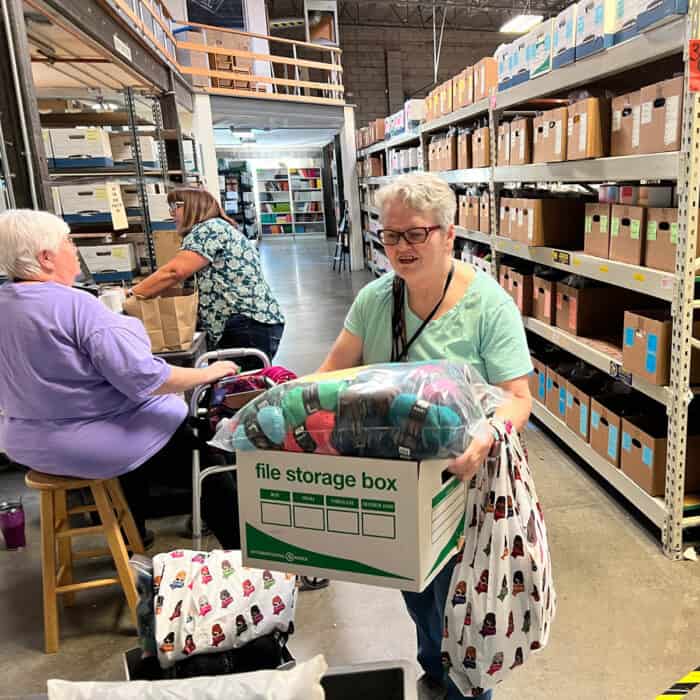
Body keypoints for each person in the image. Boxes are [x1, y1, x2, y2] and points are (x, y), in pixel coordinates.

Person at [317, 173, 533, 700]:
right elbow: (330, 375)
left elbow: (519, 398)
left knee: (459, 599)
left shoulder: (488, 305)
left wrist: (486, 434)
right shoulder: (374, 299)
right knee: (414, 587)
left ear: (448, 234)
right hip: (397, 481)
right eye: (391, 236)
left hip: (468, 479)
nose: (401, 248)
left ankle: (464, 685)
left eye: (416, 234)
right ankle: (435, 670)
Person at [0, 209, 240, 549]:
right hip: (87, 444)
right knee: (199, 450)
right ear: (46, 257)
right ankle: (251, 556)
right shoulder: (78, 307)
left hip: (28, 444)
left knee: (135, 430)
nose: (74, 249)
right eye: (68, 242)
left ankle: (133, 535)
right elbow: (145, 378)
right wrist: (209, 372)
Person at [131, 187, 285, 368]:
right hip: (252, 321)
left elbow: (174, 272)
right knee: (233, 386)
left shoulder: (207, 230)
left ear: (192, 206)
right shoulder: (217, 227)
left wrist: (132, 294)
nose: (171, 212)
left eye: (175, 206)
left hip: (245, 324)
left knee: (241, 390)